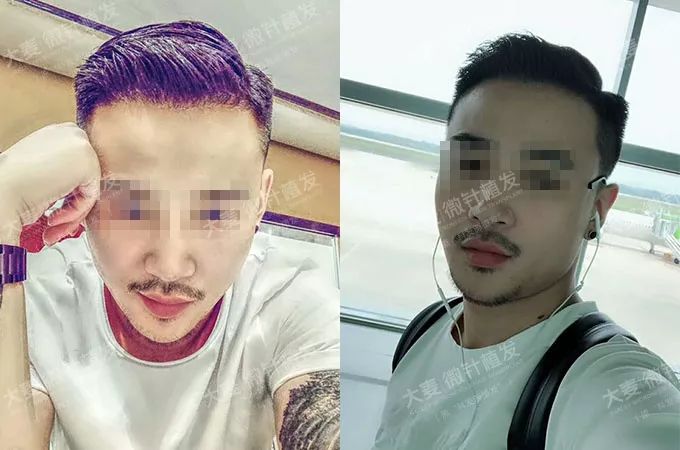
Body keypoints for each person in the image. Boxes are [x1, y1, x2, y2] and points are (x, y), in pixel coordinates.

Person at [0, 20, 339, 450]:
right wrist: (3, 201)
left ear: (261, 201)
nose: (170, 267)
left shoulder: (292, 299)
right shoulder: (37, 305)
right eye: (132, 206)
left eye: (215, 211)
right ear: (82, 198)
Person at [372, 33, 680, 449]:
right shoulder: (425, 331)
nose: (487, 209)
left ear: (597, 209)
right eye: (469, 162)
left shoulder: (604, 389)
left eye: (541, 178)